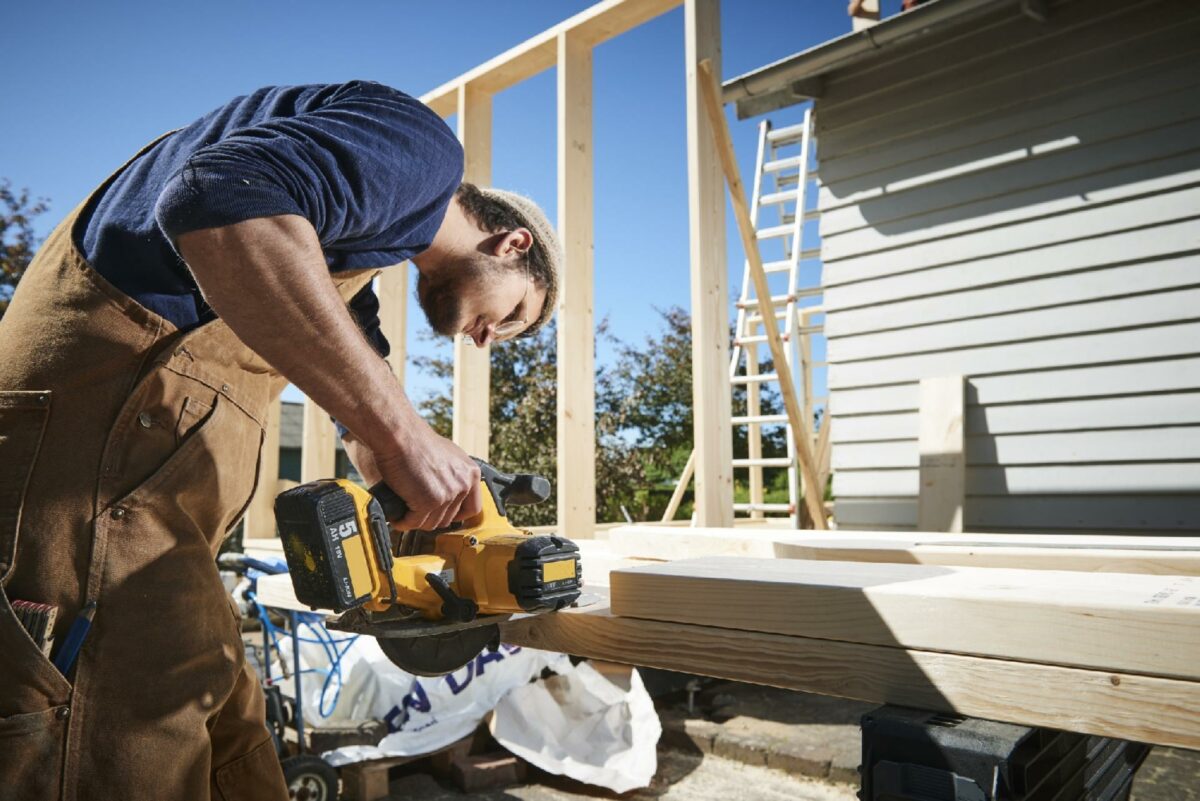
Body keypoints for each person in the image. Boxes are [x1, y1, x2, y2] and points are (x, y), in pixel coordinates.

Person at [0, 79, 561, 801]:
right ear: (512, 243)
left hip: (135, 486)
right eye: (512, 314)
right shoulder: (424, 152)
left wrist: (389, 448)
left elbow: (359, 374)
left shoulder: (346, 248)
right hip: (101, 467)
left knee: (229, 743)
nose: (488, 337)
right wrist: (404, 437)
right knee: (118, 745)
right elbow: (218, 200)